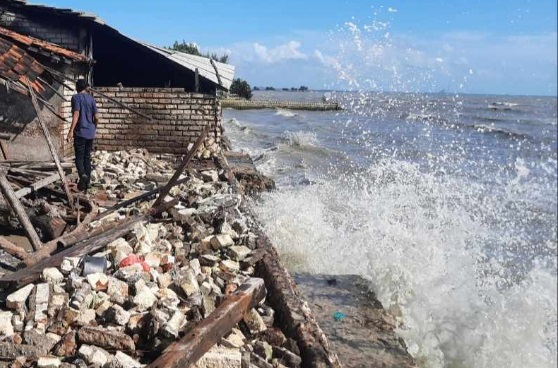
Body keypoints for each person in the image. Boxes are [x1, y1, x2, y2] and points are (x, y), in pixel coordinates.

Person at [66, 79, 99, 192]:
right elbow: (97, 117)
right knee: (87, 157)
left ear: (77, 88)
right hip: (90, 133)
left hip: (80, 132)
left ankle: (82, 175)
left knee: (79, 157)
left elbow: (76, 114)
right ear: (85, 87)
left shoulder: (76, 98)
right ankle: (87, 184)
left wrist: (70, 131)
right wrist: (94, 126)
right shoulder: (91, 99)